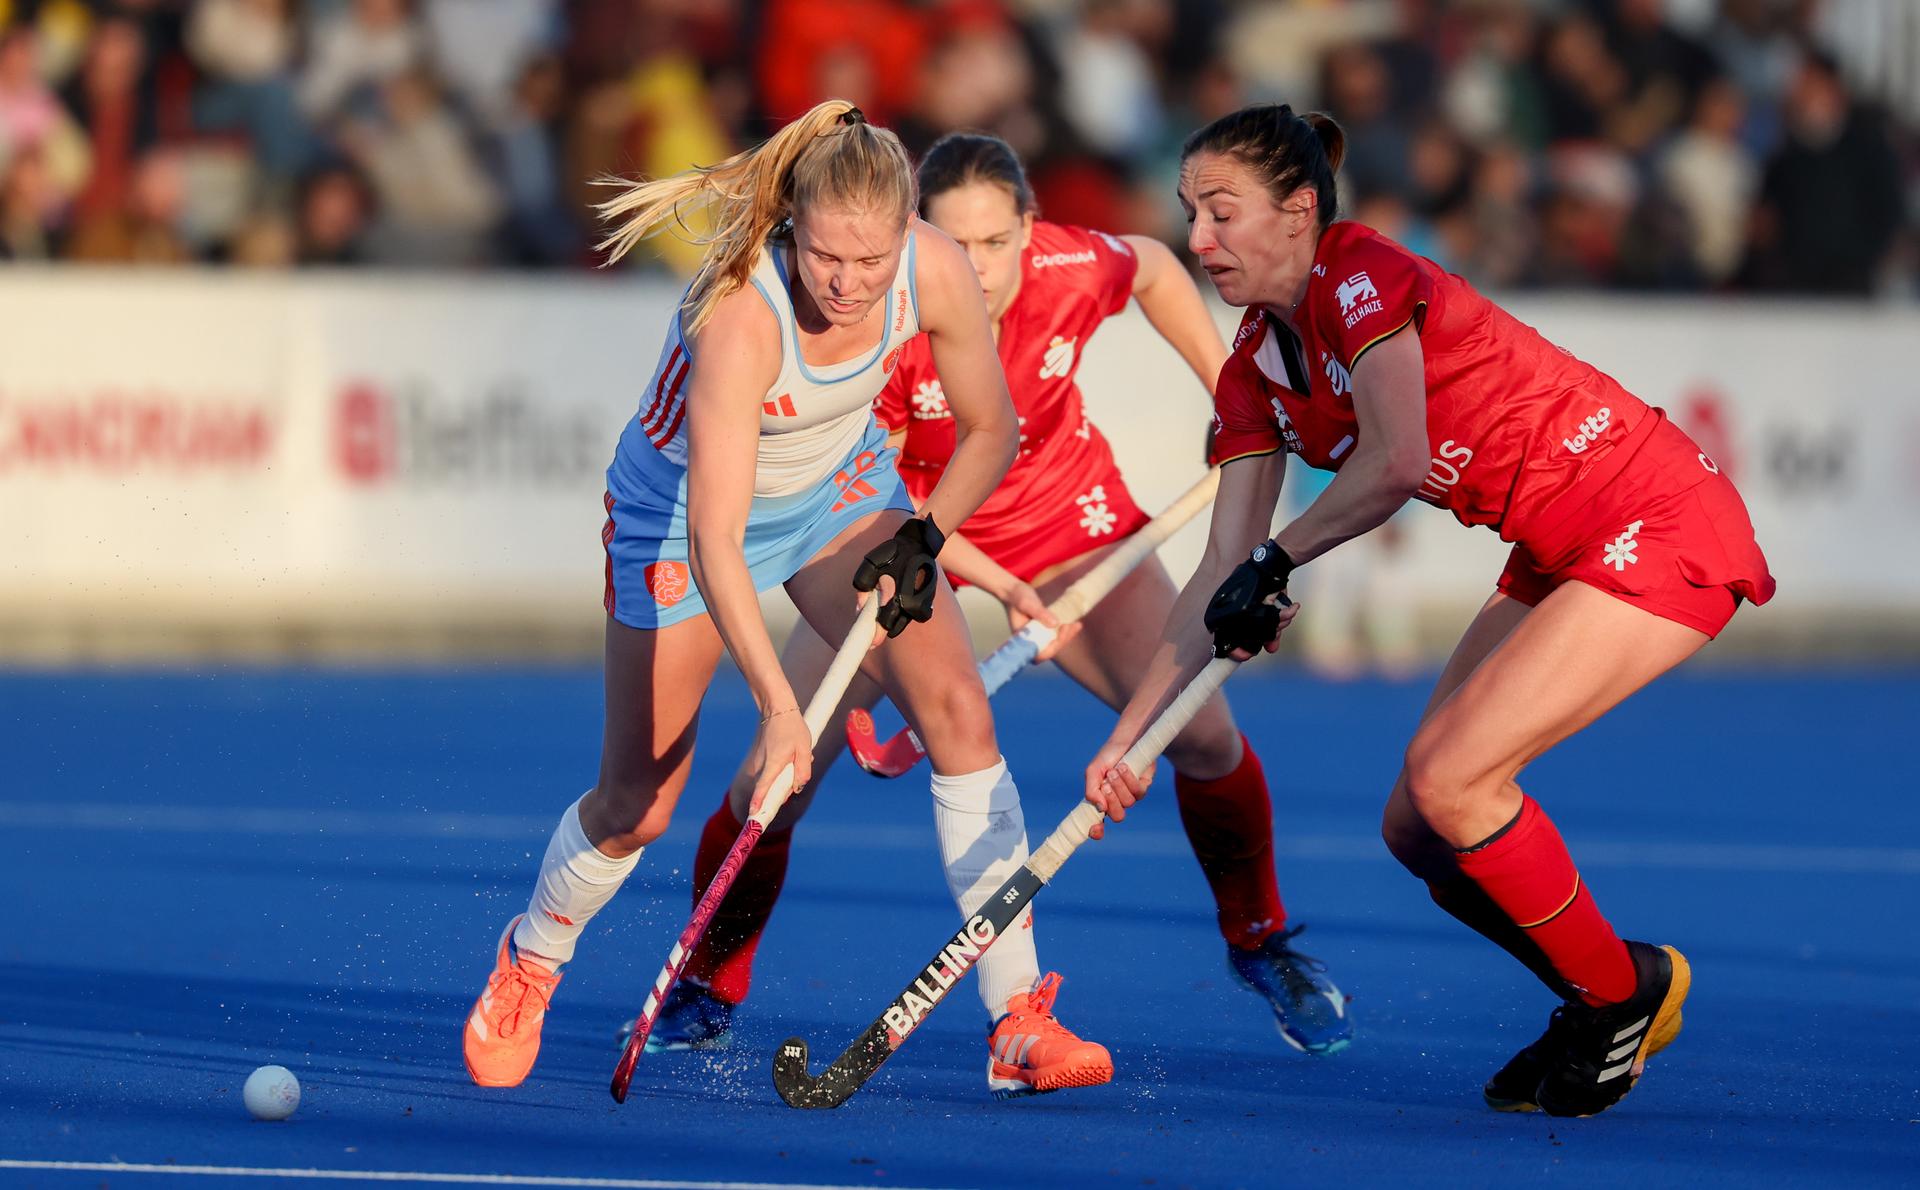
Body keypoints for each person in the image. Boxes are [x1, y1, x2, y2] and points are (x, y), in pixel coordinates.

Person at [1085, 104, 1774, 1119]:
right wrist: (1134, 735)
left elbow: (1396, 460)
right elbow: (1219, 564)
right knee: (1418, 827)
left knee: (1455, 781)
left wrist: (1281, 559)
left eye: (1222, 212)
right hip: (1552, 547)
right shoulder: (1250, 370)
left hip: (1652, 514)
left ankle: (1615, 1000)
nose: (1199, 241)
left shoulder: (1359, 270)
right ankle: (1610, 987)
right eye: (1190, 213)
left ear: (1299, 209)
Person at [462, 100, 1113, 1101]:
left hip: (838, 494)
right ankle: (534, 956)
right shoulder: (740, 311)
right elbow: (717, 540)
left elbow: (992, 430)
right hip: (682, 514)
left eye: (870, 260)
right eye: (824, 259)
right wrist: (778, 704)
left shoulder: (933, 269)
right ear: (791, 229)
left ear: (906, 232)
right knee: (639, 804)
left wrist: (925, 535)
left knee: (958, 710)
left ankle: (1016, 1015)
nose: (849, 286)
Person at [651, 132, 1351, 1059]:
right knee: (775, 778)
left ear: (1032, 227)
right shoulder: (890, 317)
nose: (976, 268)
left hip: (1075, 523)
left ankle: (1259, 939)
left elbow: (1148, 267)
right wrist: (998, 583)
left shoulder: (1070, 265)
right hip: (907, 537)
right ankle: (707, 980)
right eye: (954, 243)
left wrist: (1237, 394)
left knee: (1203, 732)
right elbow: (882, 499)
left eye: (996, 242)